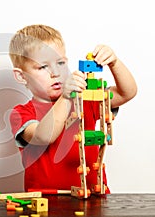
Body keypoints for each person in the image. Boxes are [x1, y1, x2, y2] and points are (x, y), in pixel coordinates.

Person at [9, 24, 137, 193]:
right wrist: (66, 98)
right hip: (46, 201)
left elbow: (126, 93)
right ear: (21, 76)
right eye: (42, 67)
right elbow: (43, 136)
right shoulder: (21, 113)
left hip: (93, 196)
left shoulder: (85, 98)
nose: (55, 72)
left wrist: (114, 62)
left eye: (60, 63)